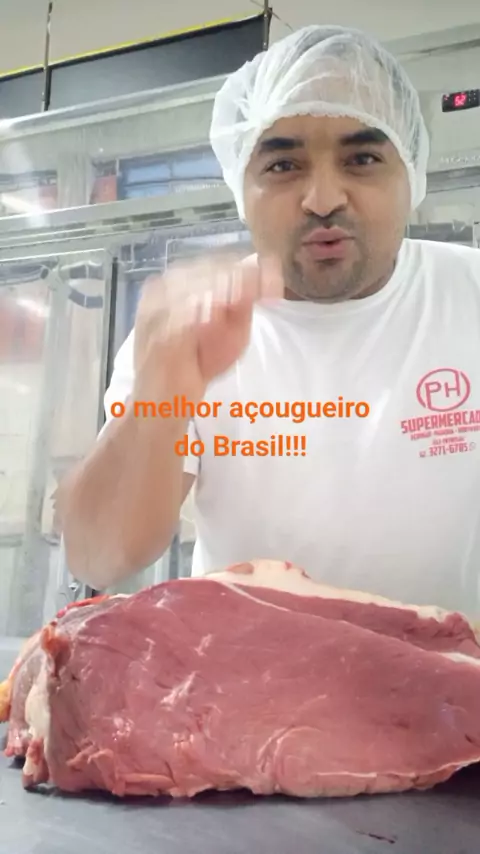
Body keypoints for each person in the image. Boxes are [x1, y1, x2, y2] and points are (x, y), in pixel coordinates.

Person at [59, 24, 480, 620]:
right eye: (283, 164)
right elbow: (99, 556)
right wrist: (164, 392)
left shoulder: (470, 294)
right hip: (252, 674)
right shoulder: (194, 325)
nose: (323, 198)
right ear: (242, 187)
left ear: (410, 173)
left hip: (451, 675)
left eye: (362, 159)